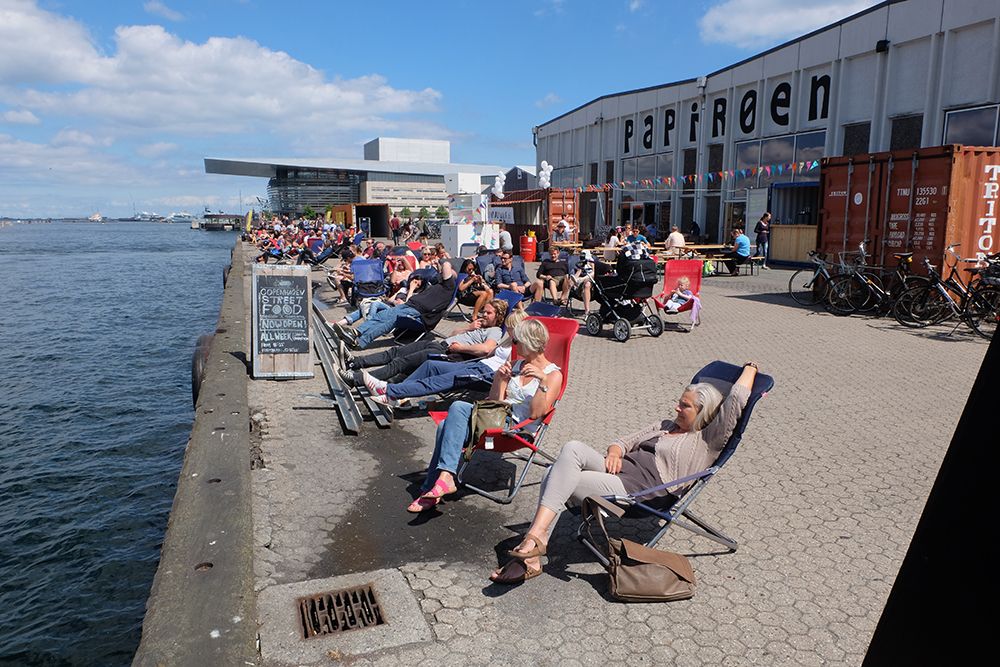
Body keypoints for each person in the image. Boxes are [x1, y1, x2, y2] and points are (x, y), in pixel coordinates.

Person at [489, 362, 760, 584]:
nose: (677, 408)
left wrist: (750, 368)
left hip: (639, 492)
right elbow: (623, 441)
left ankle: (532, 547)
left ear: (703, 413)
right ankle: (536, 542)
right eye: (679, 402)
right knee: (571, 449)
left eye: (685, 406)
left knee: (554, 476)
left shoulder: (707, 440)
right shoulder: (666, 424)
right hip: (617, 471)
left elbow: (736, 399)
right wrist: (616, 451)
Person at [405, 318, 561, 512]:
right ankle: (438, 484)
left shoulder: (553, 375)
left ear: (530, 342)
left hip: (517, 430)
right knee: (446, 425)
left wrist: (542, 381)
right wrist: (500, 379)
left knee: (458, 408)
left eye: (516, 341)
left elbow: (537, 413)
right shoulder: (515, 365)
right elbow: (494, 403)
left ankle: (437, 483)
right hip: (496, 417)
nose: (513, 345)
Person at [365, 308, 529, 409]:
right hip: (477, 364)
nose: (508, 328)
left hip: (486, 375)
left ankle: (389, 391)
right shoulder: (509, 340)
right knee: (431, 366)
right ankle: (397, 395)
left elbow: (514, 370)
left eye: (511, 326)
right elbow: (488, 352)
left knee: (438, 380)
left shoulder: (522, 347)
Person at [340, 299, 508, 385]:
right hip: (438, 344)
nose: (484, 315)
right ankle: (355, 362)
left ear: (498, 316)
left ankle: (356, 379)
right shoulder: (478, 326)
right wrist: (468, 328)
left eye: (488, 313)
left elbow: (486, 350)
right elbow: (452, 333)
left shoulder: (496, 331)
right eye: (484, 312)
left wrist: (461, 347)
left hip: (448, 354)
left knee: (400, 363)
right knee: (394, 352)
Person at [334, 260, 457, 349]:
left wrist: (444, 263)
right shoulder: (437, 286)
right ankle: (355, 332)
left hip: (419, 314)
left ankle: (360, 342)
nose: (443, 274)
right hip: (409, 306)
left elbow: (446, 264)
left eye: (448, 273)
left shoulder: (449, 286)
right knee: (381, 316)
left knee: (391, 320)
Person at [566, 249, 594, 314]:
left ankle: (587, 310)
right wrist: (575, 278)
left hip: (590, 280)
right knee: (574, 280)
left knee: (587, 284)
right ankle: (577, 282)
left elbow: (594, 273)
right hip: (581, 283)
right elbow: (578, 272)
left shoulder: (592, 263)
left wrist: (582, 279)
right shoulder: (581, 263)